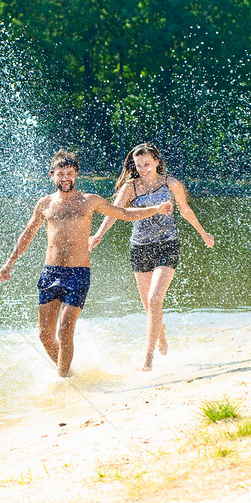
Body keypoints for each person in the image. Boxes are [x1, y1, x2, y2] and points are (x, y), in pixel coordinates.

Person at [0, 149, 173, 377]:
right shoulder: (45, 204)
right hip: (50, 273)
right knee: (44, 335)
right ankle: (69, 375)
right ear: (52, 176)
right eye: (60, 173)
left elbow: (123, 213)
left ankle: (62, 382)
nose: (65, 178)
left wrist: (156, 209)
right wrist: (10, 262)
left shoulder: (89, 201)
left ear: (76, 175)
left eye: (69, 173)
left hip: (78, 274)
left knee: (64, 330)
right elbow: (27, 234)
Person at [89, 143, 215, 371]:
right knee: (148, 305)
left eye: (147, 164)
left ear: (157, 161)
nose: (143, 169)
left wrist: (202, 232)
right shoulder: (131, 187)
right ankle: (161, 331)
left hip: (167, 245)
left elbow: (185, 210)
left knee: (155, 299)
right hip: (140, 248)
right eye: (138, 165)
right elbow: (115, 212)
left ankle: (148, 357)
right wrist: (98, 235)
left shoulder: (171, 184)